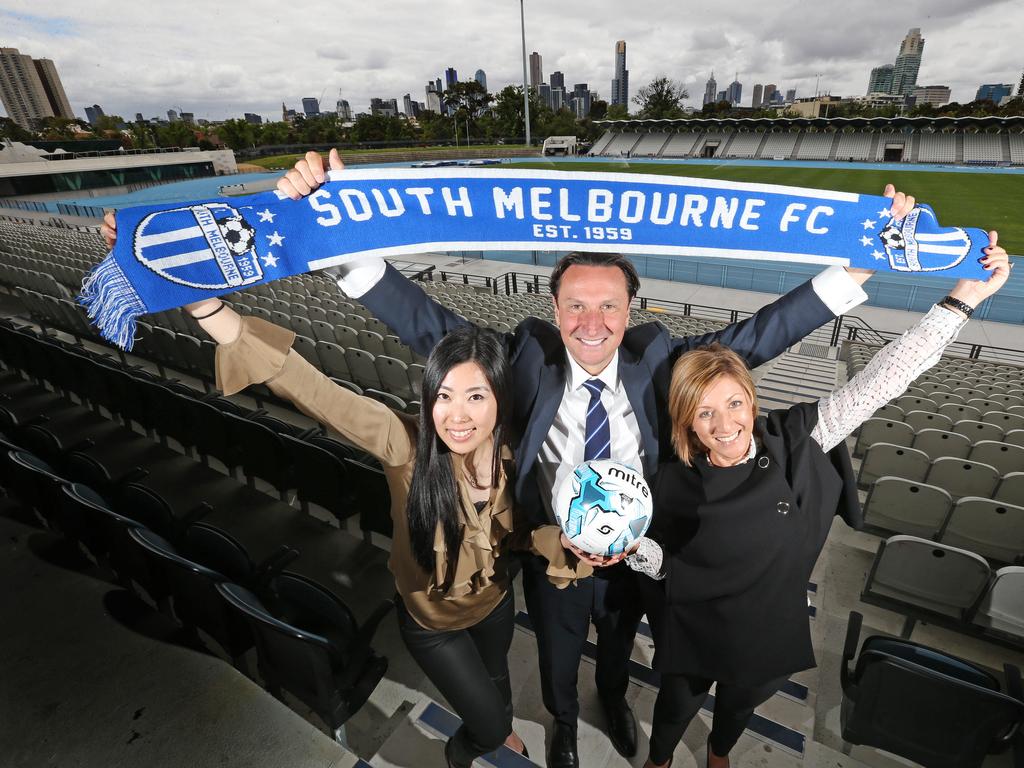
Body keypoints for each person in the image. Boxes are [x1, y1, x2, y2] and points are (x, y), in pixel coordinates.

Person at [276, 149, 911, 768]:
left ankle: (611, 696)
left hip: (639, 546)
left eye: (609, 304)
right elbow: (428, 323)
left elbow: (757, 336)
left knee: (617, 642)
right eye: (576, 304)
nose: (592, 321)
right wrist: (338, 235)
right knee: (557, 649)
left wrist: (853, 270)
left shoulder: (659, 357)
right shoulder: (525, 357)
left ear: (630, 310)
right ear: (554, 311)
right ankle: (561, 721)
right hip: (552, 543)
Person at [97, 215, 600, 768]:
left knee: (499, 681)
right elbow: (314, 390)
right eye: (444, 396)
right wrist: (206, 309)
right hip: (433, 625)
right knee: (487, 723)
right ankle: (466, 751)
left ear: (500, 400)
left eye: (476, 397)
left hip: (495, 604)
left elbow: (524, 533)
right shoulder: (404, 445)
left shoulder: (518, 456)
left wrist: (569, 544)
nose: (457, 416)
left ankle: (493, 733)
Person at [622, 239, 1011, 768]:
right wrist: (626, 546)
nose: (725, 425)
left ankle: (719, 756)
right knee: (673, 708)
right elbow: (665, 562)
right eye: (704, 412)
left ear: (751, 399)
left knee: (737, 709)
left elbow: (883, 379)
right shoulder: (669, 477)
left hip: (768, 627)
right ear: (686, 419)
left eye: (734, 402)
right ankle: (660, 760)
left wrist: (961, 299)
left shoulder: (796, 441)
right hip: (695, 627)